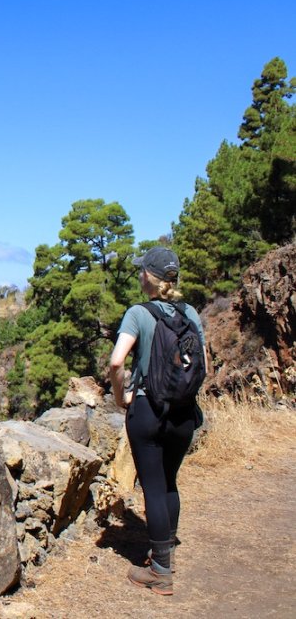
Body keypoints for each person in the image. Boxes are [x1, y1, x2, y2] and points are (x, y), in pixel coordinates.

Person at [109, 246, 206, 596]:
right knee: (169, 482)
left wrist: (122, 398)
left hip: (148, 409)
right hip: (183, 413)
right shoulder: (192, 313)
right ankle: (166, 550)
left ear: (148, 277)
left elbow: (117, 362)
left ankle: (160, 570)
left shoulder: (138, 313)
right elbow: (202, 366)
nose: (138, 275)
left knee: (151, 485)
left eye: (141, 271)